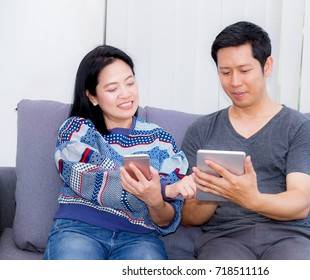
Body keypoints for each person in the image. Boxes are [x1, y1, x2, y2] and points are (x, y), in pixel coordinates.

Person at [180, 21, 310, 260]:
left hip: (291, 237)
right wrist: (217, 192)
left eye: (245, 70)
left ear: (267, 66)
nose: (235, 82)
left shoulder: (298, 127)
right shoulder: (201, 131)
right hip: (224, 239)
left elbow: (300, 203)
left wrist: (252, 199)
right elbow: (187, 217)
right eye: (225, 72)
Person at [43, 45, 196, 260]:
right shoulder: (76, 130)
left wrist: (156, 200)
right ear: (92, 97)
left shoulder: (161, 141)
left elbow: (167, 221)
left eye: (130, 83)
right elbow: (92, 177)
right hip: (79, 229)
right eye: (112, 88)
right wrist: (165, 189)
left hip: (140, 239)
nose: (126, 94)